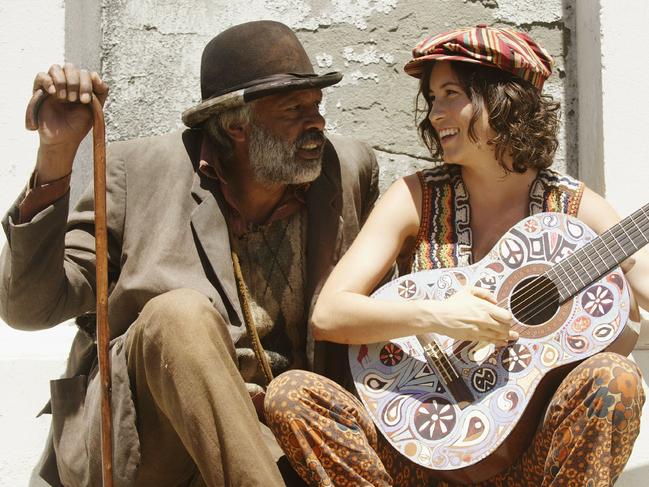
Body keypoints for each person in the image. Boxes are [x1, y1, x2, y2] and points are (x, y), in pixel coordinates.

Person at [0, 20, 379, 487]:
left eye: (317, 106)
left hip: (281, 434)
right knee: (178, 315)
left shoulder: (346, 172)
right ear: (236, 125)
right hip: (152, 442)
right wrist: (56, 157)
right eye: (294, 110)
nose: (316, 123)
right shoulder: (135, 174)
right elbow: (29, 308)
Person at [265, 25, 647, 486]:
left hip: (527, 466)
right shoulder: (415, 198)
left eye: (451, 93)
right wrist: (440, 316)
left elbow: (639, 276)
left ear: (505, 101)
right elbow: (330, 314)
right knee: (292, 394)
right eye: (431, 97)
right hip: (412, 457)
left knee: (616, 377)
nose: (436, 112)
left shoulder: (572, 205)